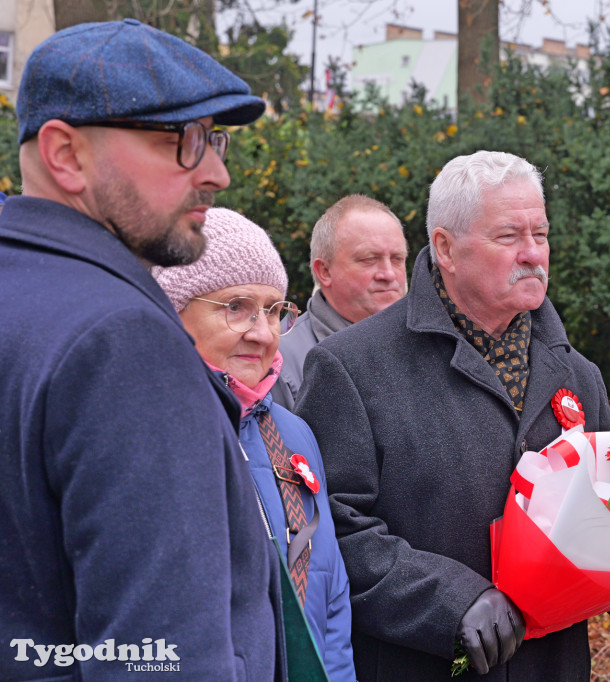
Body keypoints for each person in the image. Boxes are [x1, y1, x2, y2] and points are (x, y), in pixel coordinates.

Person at [296, 150, 610, 681]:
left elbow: (598, 519)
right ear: (445, 249)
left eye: (541, 234)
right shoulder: (350, 367)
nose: (533, 253)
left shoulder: (579, 375)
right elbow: (332, 530)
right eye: (509, 236)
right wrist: (450, 602)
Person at [0, 19, 284, 680]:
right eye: (181, 141)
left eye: (214, 139)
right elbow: (161, 660)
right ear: (66, 154)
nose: (217, 173)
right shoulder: (122, 341)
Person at [153, 208, 358, 681]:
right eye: (235, 307)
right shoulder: (148, 429)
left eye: (273, 310)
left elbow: (332, 604)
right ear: (173, 311)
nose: (263, 333)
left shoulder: (293, 433)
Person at [273, 194, 408, 409]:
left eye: (397, 259)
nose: (389, 274)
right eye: (369, 259)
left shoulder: (430, 345)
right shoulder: (278, 361)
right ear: (324, 271)